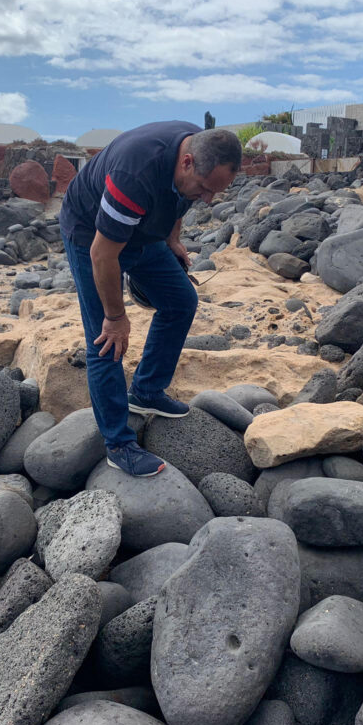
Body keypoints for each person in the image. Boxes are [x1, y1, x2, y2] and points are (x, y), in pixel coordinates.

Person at [59, 122, 241, 477]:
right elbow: (102, 254)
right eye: (205, 189)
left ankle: (145, 392)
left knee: (181, 301)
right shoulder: (135, 172)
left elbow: (181, 199)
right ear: (186, 162)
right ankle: (118, 445)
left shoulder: (200, 147)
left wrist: (172, 238)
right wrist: (116, 317)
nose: (208, 199)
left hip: (144, 231)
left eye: (215, 192)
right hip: (91, 235)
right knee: (105, 340)